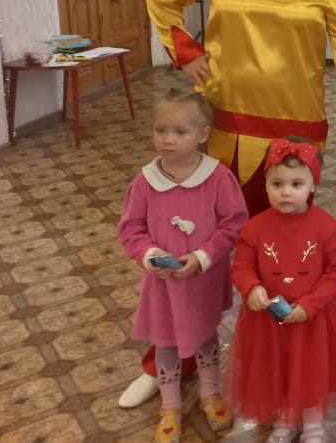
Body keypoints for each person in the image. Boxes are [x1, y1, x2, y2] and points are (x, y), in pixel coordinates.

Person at [128, 0, 336, 408]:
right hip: (226, 133)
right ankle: (168, 360)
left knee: (285, 264)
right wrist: (186, 51)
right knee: (196, 253)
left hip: (295, 145)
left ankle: (285, 368)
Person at [117, 89, 248, 443]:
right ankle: (170, 405)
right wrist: (149, 255)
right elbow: (130, 229)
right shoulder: (145, 182)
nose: (167, 139)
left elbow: (234, 224)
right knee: (166, 342)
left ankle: (209, 393)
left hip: (202, 282)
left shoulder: (218, 178)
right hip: (162, 285)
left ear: (203, 134)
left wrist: (203, 257)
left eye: (179, 132)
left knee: (205, 336)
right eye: (160, 130)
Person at [225, 138, 336, 443]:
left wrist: (311, 303)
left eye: (296, 184)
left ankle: (314, 424)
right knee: (277, 369)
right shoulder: (255, 227)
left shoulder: (327, 226)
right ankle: (284, 421)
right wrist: (251, 288)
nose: (286, 192)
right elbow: (241, 267)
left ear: (313, 185)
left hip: (312, 318)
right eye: (277, 183)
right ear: (265, 183)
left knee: (311, 369)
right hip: (268, 322)